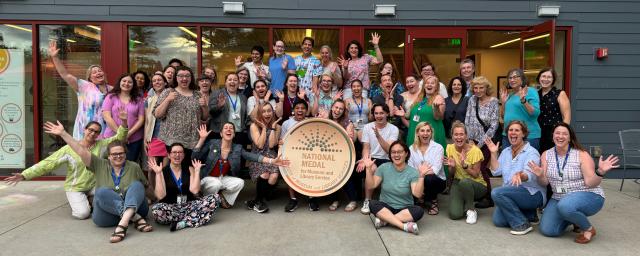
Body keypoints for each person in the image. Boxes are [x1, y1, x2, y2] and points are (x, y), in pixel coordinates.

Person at [43, 121, 152, 243]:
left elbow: (147, 189)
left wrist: (158, 190)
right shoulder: (99, 164)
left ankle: (123, 224)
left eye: (121, 153)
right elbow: (81, 150)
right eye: (114, 154)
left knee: (137, 185)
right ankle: (134, 218)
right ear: (108, 156)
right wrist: (63, 134)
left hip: (137, 209)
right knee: (101, 191)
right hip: (107, 217)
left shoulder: (134, 166)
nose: (118, 156)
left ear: (126, 154)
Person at [4, 114, 128, 220]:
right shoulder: (69, 148)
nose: (93, 133)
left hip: (95, 185)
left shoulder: (102, 145)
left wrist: (124, 122)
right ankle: (83, 201)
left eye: (96, 132)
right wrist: (24, 174)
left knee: (113, 195)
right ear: (84, 130)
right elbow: (47, 163)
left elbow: (119, 138)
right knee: (82, 214)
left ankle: (90, 199)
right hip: (76, 187)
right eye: (91, 129)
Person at [528, 123, 619, 244]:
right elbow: (544, 182)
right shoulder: (546, 155)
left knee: (565, 206)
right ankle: (572, 219)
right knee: (548, 230)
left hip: (587, 194)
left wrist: (600, 172)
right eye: (557, 133)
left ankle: (588, 229)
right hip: (559, 196)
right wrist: (540, 175)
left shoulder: (581, 154)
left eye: (565, 134)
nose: (560, 136)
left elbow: (591, 183)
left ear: (570, 137)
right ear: (553, 136)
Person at [193, 123, 289, 208]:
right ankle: (208, 201)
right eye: (225, 128)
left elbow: (253, 156)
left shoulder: (237, 148)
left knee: (239, 182)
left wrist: (272, 161)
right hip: (207, 178)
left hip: (222, 178)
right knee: (216, 184)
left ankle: (222, 197)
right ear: (221, 134)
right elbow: (195, 157)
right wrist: (202, 139)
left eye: (231, 128)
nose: (228, 129)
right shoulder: (212, 143)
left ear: (234, 134)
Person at [486, 120, 546, 235]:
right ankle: (530, 215)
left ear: (523, 134)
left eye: (517, 130)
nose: (513, 133)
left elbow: (529, 175)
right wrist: (493, 153)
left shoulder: (531, 152)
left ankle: (521, 224)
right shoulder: (505, 151)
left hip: (532, 193)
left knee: (497, 193)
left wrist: (519, 175)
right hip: (511, 193)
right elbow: (495, 171)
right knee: (498, 221)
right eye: (510, 130)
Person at [47, 40, 111, 139]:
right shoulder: (84, 86)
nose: (98, 73)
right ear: (90, 78)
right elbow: (65, 74)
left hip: (105, 130)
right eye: (94, 72)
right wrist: (55, 57)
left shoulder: (112, 89)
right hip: (85, 129)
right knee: (82, 153)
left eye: (99, 71)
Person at [148, 143, 219, 232]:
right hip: (170, 207)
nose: (177, 155)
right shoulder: (162, 171)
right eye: (174, 152)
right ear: (169, 155)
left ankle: (183, 223)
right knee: (157, 209)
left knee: (215, 198)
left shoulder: (190, 169)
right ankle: (194, 217)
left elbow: (194, 190)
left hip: (189, 205)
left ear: (183, 155)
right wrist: (158, 174)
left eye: (180, 152)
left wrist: (197, 172)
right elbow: (160, 196)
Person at [364, 141, 425, 235]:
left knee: (419, 211)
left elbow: (417, 194)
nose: (396, 155)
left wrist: (421, 177)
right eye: (393, 152)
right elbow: (371, 186)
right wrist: (368, 169)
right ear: (390, 154)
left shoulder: (413, 172)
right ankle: (404, 226)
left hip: (404, 208)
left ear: (406, 153)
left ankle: (385, 220)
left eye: (400, 152)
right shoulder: (383, 167)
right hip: (386, 207)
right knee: (372, 204)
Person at [154, 66, 209, 168]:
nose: (184, 79)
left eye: (187, 76)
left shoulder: (197, 94)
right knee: (170, 171)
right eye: (181, 76)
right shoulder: (168, 92)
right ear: (176, 77)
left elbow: (205, 118)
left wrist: (205, 106)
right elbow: (157, 114)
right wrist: (167, 100)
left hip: (192, 141)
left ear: (191, 78)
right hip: (171, 140)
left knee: (188, 171)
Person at [464, 76, 500, 209]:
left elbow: (494, 125)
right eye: (475, 88)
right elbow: (467, 119)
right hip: (472, 140)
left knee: (483, 168)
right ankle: (478, 193)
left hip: (486, 141)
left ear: (486, 88)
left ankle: (488, 197)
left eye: (481, 87)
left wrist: (479, 144)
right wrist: (469, 140)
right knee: (474, 168)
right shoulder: (472, 100)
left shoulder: (493, 102)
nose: (478, 90)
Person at [357, 103, 399, 215]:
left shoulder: (393, 129)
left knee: (380, 169)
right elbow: (366, 147)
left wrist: (378, 136)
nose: (379, 116)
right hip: (372, 157)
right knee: (370, 168)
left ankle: (386, 201)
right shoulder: (367, 127)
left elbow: (389, 150)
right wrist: (365, 160)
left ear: (387, 114)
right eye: (376, 113)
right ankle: (367, 200)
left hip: (388, 158)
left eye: (381, 113)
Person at [444, 121, 486, 224]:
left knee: (465, 182)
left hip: (476, 185)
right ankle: (465, 200)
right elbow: (452, 174)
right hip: (458, 182)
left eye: (461, 134)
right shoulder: (449, 148)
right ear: (452, 136)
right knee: (455, 215)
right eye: (456, 134)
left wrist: (464, 166)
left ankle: (471, 209)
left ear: (466, 136)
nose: (459, 137)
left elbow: (476, 174)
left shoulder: (475, 151)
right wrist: (452, 167)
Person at [245, 103, 282, 213]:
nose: (267, 113)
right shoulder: (254, 126)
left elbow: (271, 145)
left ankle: (256, 200)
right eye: (264, 111)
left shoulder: (278, 126)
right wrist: (264, 128)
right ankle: (259, 201)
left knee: (274, 177)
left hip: (272, 156)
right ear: (260, 113)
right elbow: (260, 145)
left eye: (269, 111)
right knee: (265, 174)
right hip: (258, 156)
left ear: (273, 112)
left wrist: (272, 128)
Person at [102, 74, 145, 161]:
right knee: (111, 165)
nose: (126, 83)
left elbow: (141, 120)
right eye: (124, 81)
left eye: (130, 82)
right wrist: (121, 134)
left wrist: (127, 134)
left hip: (133, 139)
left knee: (129, 166)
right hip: (112, 137)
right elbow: (107, 116)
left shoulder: (138, 99)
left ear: (133, 85)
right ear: (119, 83)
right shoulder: (111, 97)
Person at [408, 122, 445, 215]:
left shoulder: (438, 148)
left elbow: (435, 169)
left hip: (436, 181)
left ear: (431, 133)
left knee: (429, 178)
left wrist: (421, 174)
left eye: (428, 131)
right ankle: (420, 198)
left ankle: (433, 201)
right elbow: (410, 169)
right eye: (422, 131)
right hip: (417, 179)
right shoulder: (411, 148)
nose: (425, 133)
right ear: (417, 133)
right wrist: (420, 175)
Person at [279, 100, 310, 212]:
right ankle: (293, 199)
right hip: (291, 154)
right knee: (289, 169)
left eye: (303, 108)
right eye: (297, 108)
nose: (300, 110)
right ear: (293, 110)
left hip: (308, 154)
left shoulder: (311, 122)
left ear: (306, 111)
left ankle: (311, 197)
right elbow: (282, 141)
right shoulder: (286, 123)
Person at [500, 68, 541, 150]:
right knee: (507, 162)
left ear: (522, 78)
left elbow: (535, 113)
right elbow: (503, 115)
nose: (512, 80)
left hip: (528, 136)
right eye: (510, 78)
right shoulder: (510, 95)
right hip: (508, 135)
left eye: (515, 77)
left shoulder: (530, 91)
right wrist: (503, 102)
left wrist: (523, 100)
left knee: (526, 162)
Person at [326, 99, 356, 211]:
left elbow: (350, 140)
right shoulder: (325, 119)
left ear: (344, 111)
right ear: (332, 107)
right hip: (328, 155)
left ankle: (352, 200)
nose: (337, 110)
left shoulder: (348, 123)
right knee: (331, 174)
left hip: (343, 155)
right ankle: (335, 200)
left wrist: (350, 135)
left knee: (345, 175)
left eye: (341, 109)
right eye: (336, 107)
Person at [402, 75, 446, 149]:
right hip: (415, 135)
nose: (429, 84)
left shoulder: (438, 98)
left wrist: (436, 108)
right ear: (424, 86)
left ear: (436, 87)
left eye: (432, 83)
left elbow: (438, 117)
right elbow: (409, 116)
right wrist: (402, 114)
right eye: (427, 83)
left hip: (430, 136)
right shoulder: (420, 99)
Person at [338, 33, 383, 99]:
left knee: (362, 109)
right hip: (349, 89)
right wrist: (345, 67)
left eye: (356, 48)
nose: (354, 50)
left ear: (359, 50)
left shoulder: (365, 58)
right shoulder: (346, 62)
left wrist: (376, 45)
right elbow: (345, 77)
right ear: (348, 50)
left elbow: (380, 60)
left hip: (363, 89)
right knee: (347, 108)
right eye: (351, 48)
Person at [209, 73, 249, 145]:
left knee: (236, 155)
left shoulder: (243, 97)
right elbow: (211, 112)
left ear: (238, 83)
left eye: (235, 80)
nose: (232, 82)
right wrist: (219, 106)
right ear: (225, 82)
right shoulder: (217, 94)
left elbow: (246, 115)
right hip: (220, 132)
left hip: (238, 132)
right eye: (230, 79)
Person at [537, 68, 571, 152]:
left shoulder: (559, 94)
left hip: (554, 133)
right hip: (538, 133)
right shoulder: (535, 94)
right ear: (539, 78)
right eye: (543, 76)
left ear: (553, 80)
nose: (545, 79)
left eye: (549, 77)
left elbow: (567, 117)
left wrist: (561, 134)